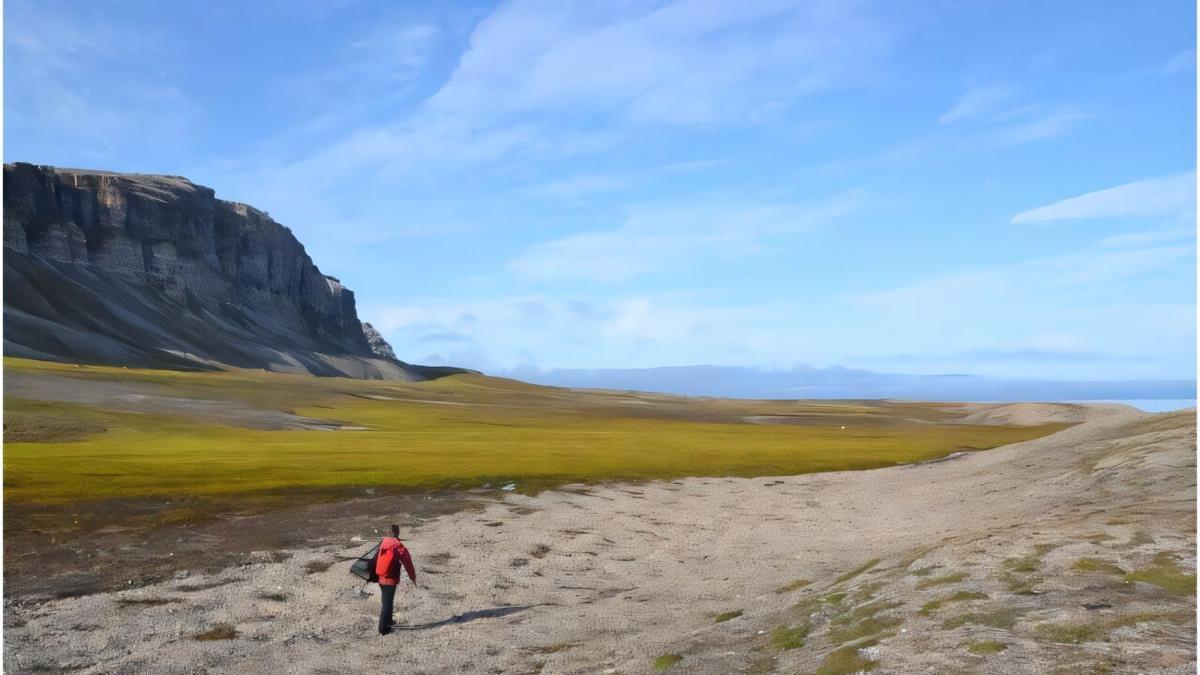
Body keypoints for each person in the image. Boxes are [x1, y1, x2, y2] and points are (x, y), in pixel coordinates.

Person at [375, 524, 417, 635]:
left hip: (380, 577)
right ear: (395, 532)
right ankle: (383, 629)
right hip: (390, 579)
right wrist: (413, 578)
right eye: (398, 531)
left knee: (386, 601)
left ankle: (388, 622)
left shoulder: (383, 542)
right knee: (387, 603)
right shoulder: (397, 545)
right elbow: (408, 563)